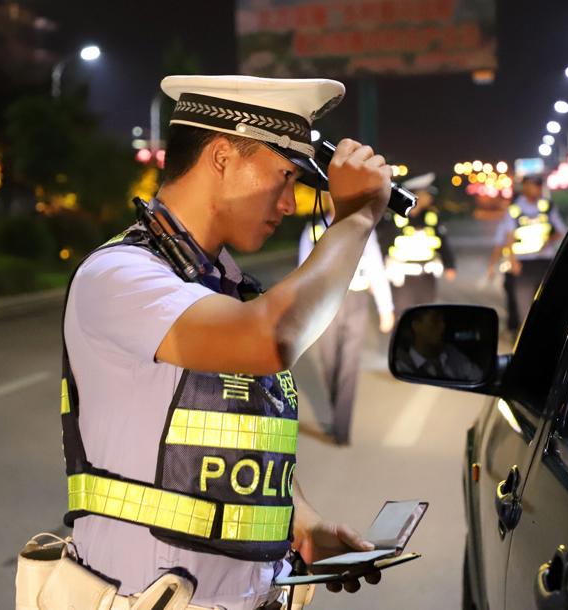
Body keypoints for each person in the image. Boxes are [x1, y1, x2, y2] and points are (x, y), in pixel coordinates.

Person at [60, 74, 393, 609]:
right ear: (221, 156)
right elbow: (272, 339)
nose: (288, 203)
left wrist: (300, 523)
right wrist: (354, 220)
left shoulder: (225, 286)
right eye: (283, 176)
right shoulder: (122, 274)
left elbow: (241, 434)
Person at [298, 191, 394, 445]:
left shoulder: (363, 230)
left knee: (349, 364)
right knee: (329, 362)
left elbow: (376, 268)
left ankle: (341, 429)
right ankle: (335, 413)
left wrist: (386, 309)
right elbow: (302, 273)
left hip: (356, 300)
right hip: (324, 304)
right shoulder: (313, 231)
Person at [486, 175, 567, 333]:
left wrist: (548, 242)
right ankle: (525, 337)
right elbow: (506, 238)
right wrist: (512, 261)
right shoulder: (515, 210)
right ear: (524, 187)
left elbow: (561, 230)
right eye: (532, 185)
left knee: (547, 304)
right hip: (522, 265)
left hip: (545, 262)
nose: (536, 188)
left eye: (538, 185)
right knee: (523, 308)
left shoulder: (547, 207)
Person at [383, 173, 456, 313]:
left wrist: (450, 265)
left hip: (426, 275)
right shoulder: (395, 217)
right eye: (426, 193)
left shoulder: (431, 216)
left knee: (426, 314)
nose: (430, 197)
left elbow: (443, 242)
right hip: (402, 277)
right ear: (415, 195)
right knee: (403, 315)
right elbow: (384, 244)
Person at [393, 308, 482, 381]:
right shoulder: (402, 367)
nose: (443, 326)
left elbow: (477, 376)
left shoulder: (453, 355)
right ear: (416, 326)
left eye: (443, 321)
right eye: (435, 320)